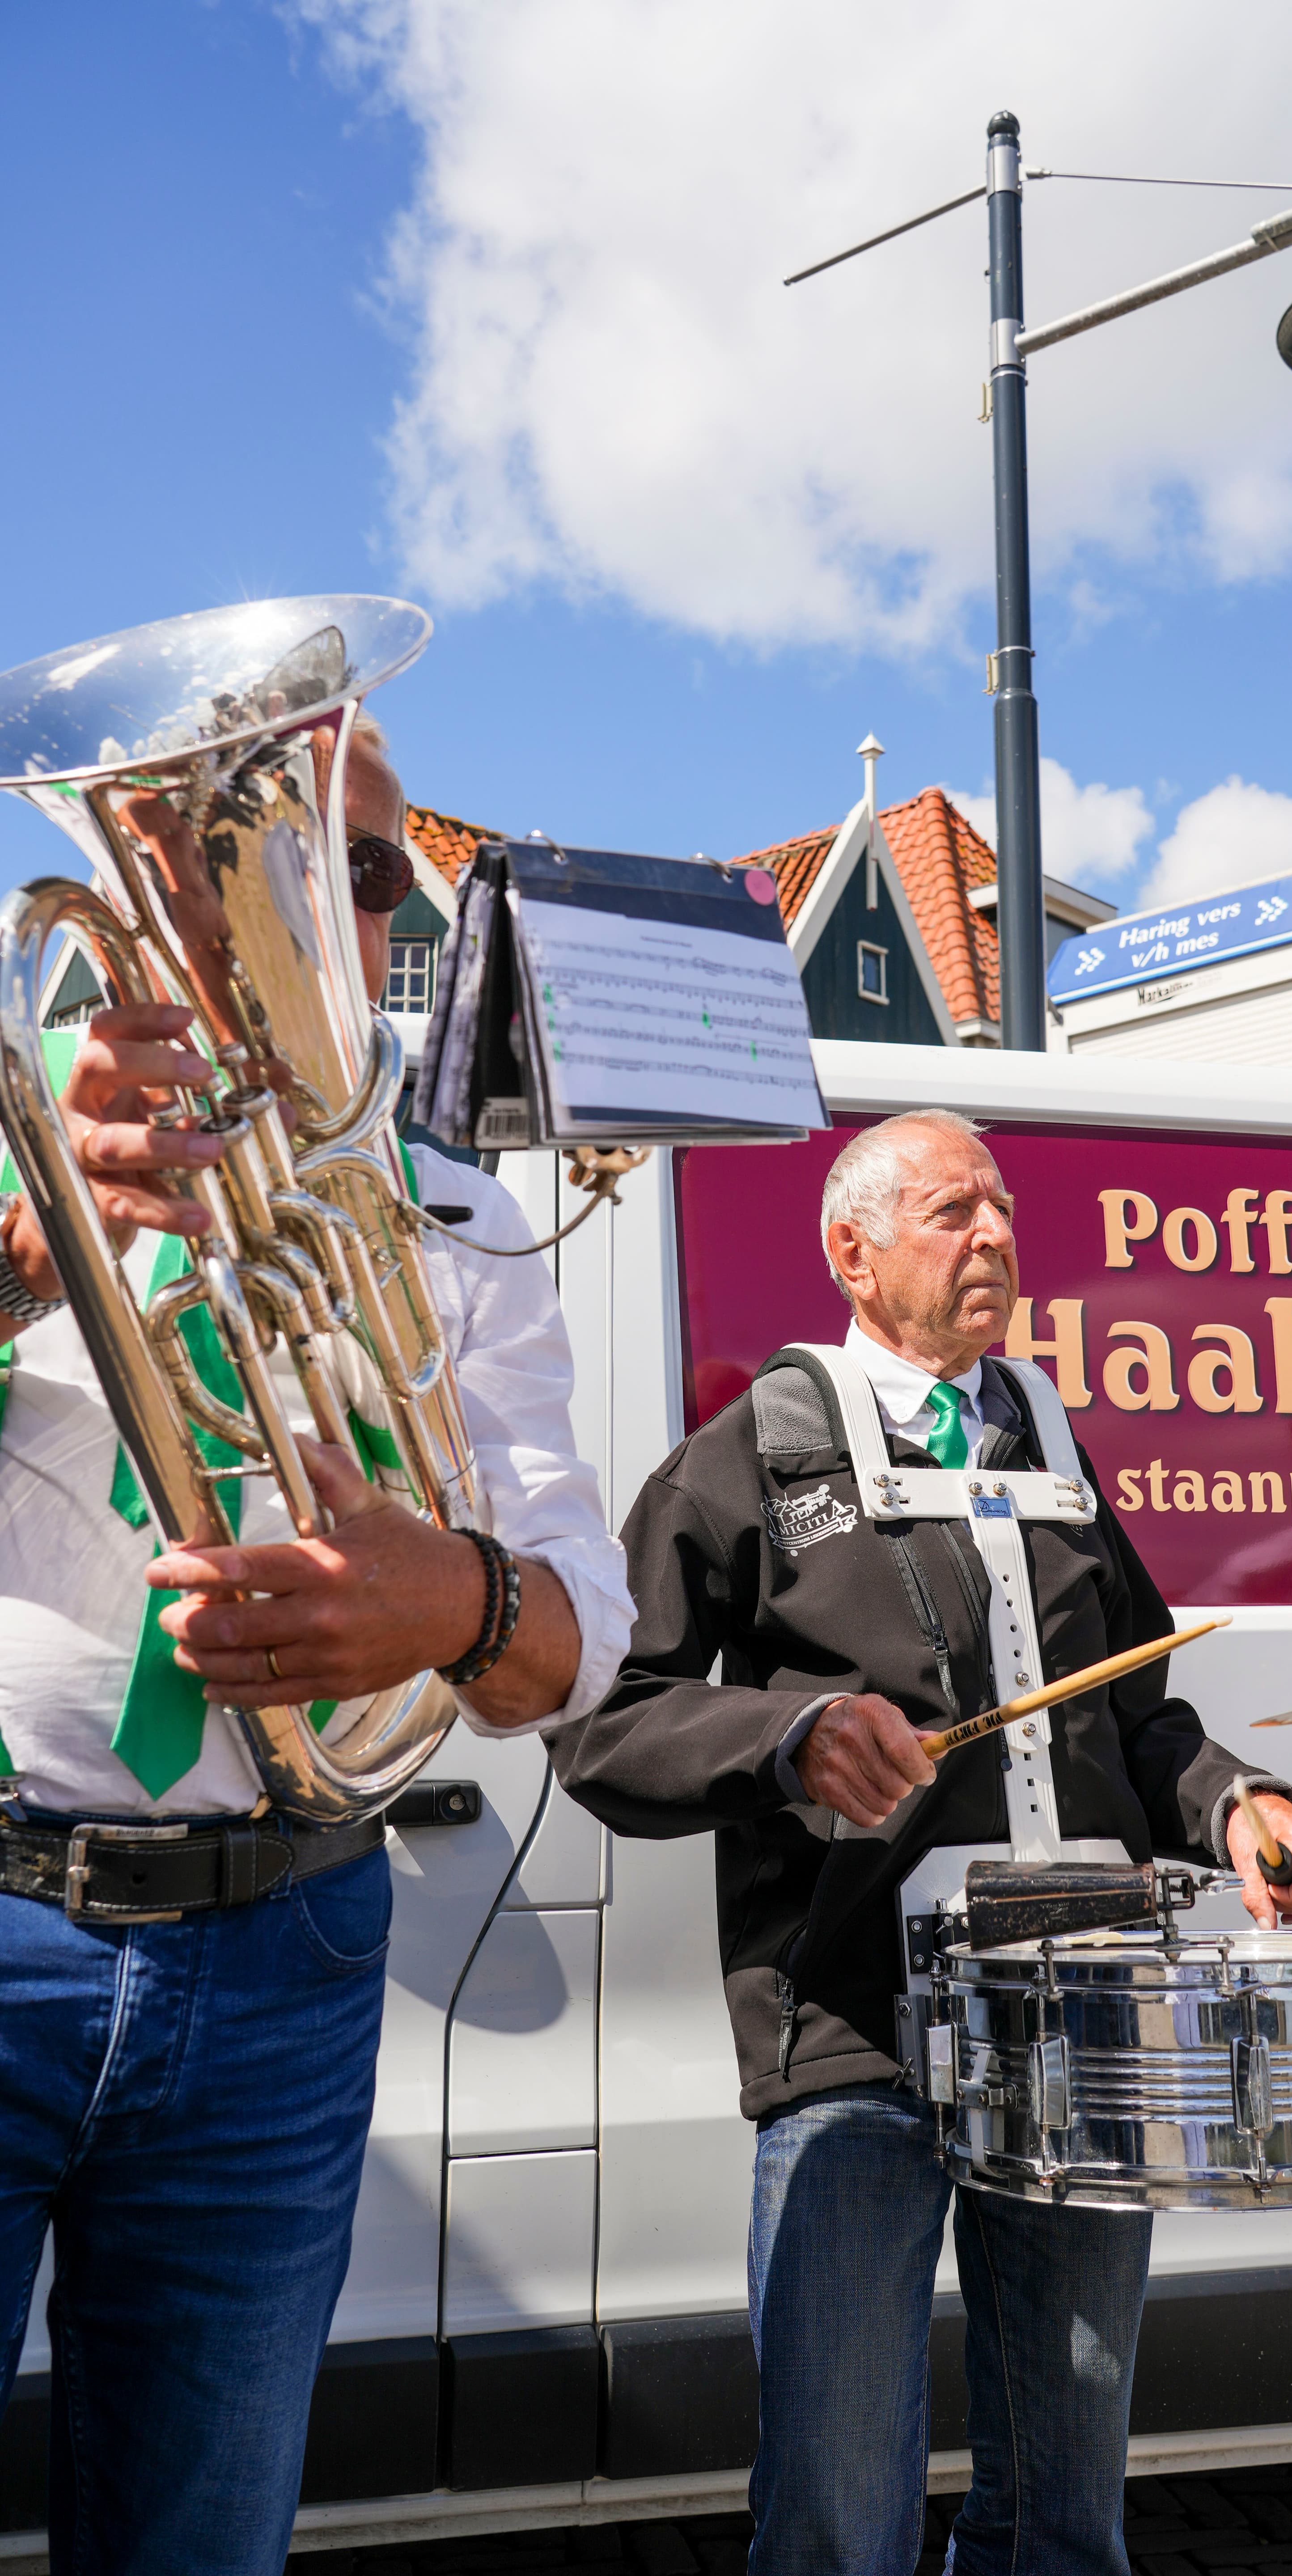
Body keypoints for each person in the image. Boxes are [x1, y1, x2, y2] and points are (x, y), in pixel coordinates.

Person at [0, 717, 634, 2576]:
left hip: (285, 1944)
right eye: (238, 855)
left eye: (358, 870)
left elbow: (578, 1630)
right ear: (127, 896)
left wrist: (456, 1603)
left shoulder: (459, 1206)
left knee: (201, 2544)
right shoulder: (20, 1122)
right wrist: (39, 1240)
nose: (309, 904)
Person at [557, 1109, 1292, 2576]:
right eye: (949, 1213)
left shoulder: (1044, 1431)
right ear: (849, 1252)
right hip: (858, 2037)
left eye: (1001, 1208)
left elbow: (1137, 1711)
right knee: (841, 2517)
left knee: (1067, 2517)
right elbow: (604, 1719)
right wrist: (784, 1743)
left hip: (1086, 2026)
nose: (993, 1236)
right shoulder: (753, 1451)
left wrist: (1239, 1799)